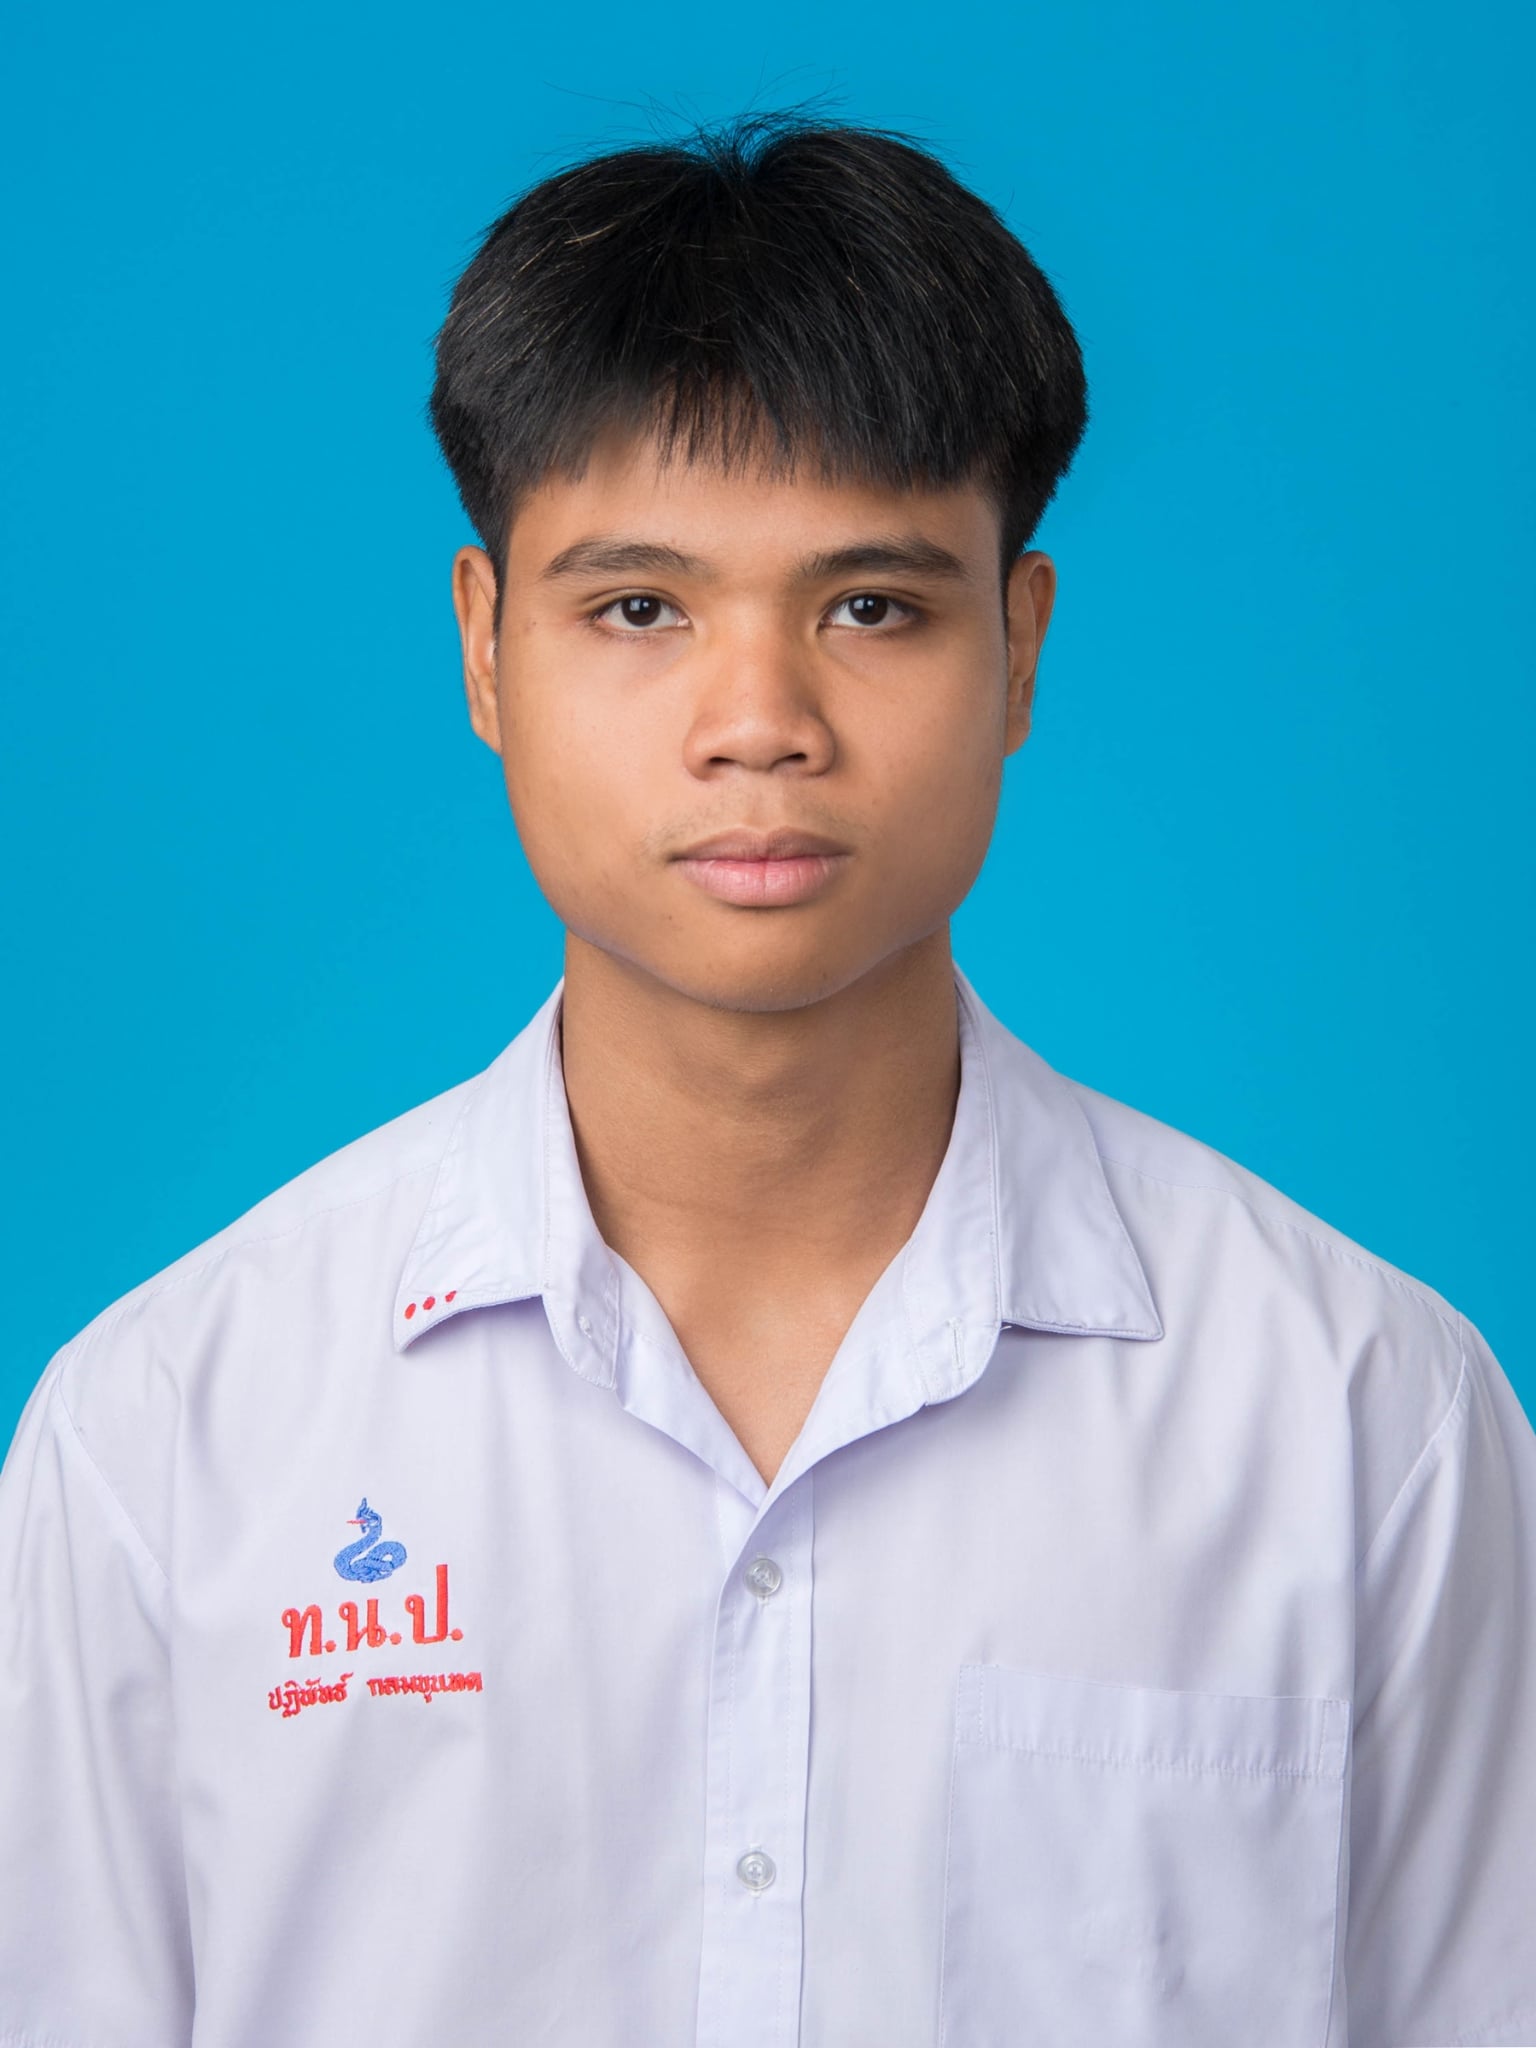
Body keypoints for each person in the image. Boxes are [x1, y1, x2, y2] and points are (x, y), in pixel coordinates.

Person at [1, 110, 1532, 2048]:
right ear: (486, 649)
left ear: (1020, 650)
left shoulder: (1361, 1419)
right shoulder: (168, 1438)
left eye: (871, 606)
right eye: (639, 608)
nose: (760, 724)